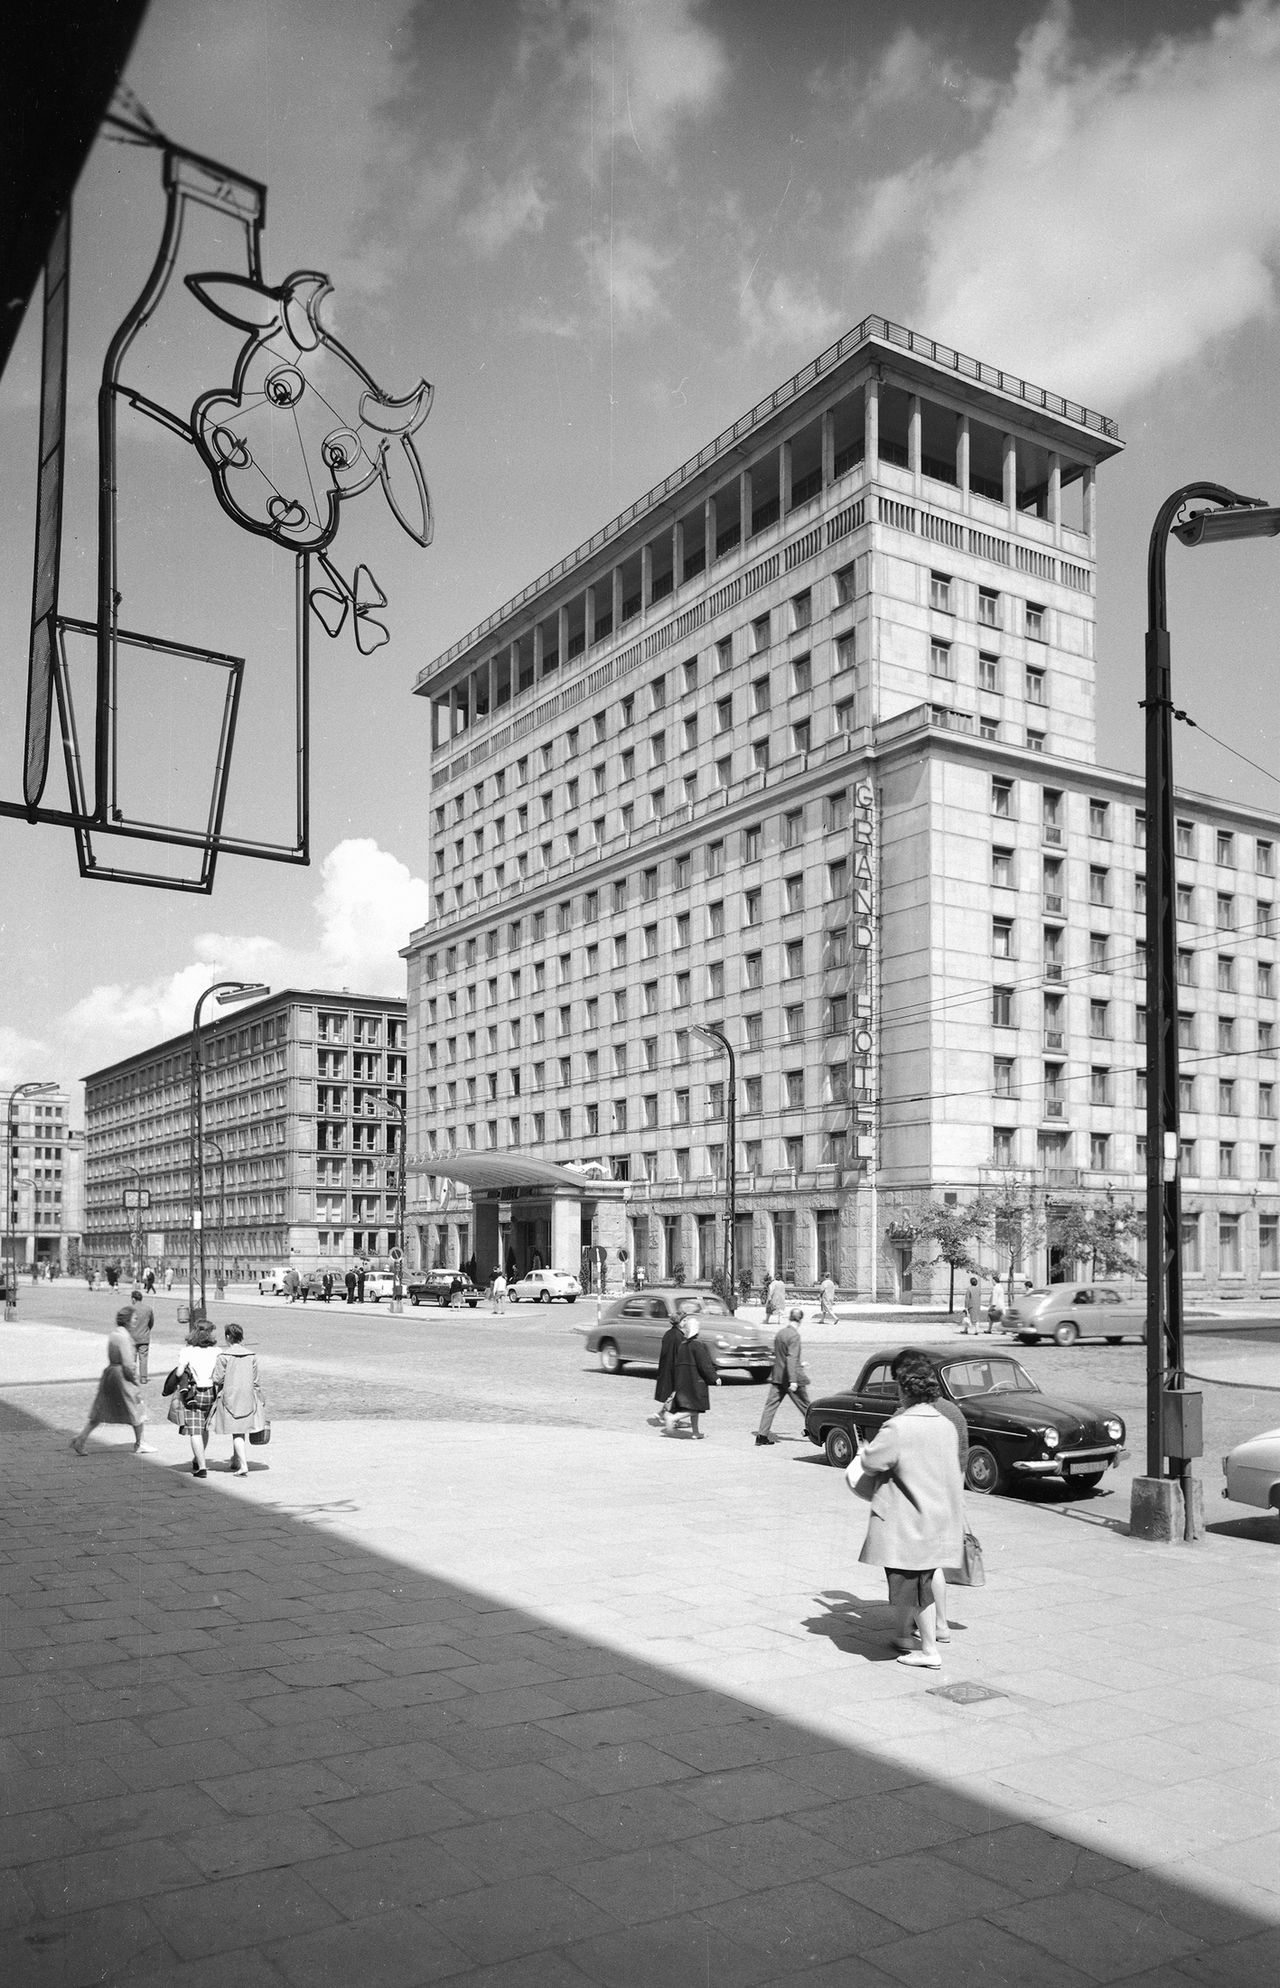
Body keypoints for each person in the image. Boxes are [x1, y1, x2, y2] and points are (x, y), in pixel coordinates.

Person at [851, 1349, 963, 1668]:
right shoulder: (945, 1424)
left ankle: (928, 1650)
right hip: (937, 1517)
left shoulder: (899, 1427)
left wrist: (864, 1451)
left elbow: (872, 1461)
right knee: (922, 1584)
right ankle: (915, 1639)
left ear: (904, 1391)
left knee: (914, 1589)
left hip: (909, 1522)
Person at [892, 1348, 968, 1646]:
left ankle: (913, 1631)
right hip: (949, 1497)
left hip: (918, 1503)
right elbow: (961, 1457)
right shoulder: (954, 1411)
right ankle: (941, 1624)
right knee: (934, 1566)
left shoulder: (904, 1415)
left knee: (917, 1571)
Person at [71, 1318, 154, 1457]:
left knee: (101, 1410)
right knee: (136, 1406)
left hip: (111, 1374)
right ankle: (141, 1443)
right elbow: (128, 1362)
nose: (135, 1321)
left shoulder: (115, 1333)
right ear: (127, 1320)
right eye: (133, 1318)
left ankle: (81, 1438)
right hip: (122, 1376)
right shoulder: (124, 1337)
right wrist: (134, 1379)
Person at [210, 1322, 267, 1476]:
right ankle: (236, 1459)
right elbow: (256, 1380)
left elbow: (217, 1378)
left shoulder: (224, 1357)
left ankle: (243, 1465)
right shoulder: (251, 1356)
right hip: (248, 1396)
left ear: (228, 1337)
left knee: (236, 1432)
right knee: (241, 1430)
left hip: (230, 1397)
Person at [754, 1305, 812, 1446]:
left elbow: (781, 1356)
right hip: (791, 1378)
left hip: (778, 1376)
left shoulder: (780, 1333)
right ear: (800, 1320)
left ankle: (762, 1435)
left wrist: (800, 1363)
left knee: (770, 1406)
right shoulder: (794, 1336)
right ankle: (815, 1430)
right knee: (806, 1407)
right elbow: (790, 1358)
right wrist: (793, 1380)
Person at [171, 1318, 221, 1479]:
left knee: (195, 1431)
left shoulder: (187, 1351)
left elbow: (179, 1373)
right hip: (211, 1393)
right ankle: (197, 1458)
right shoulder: (217, 1351)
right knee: (204, 1428)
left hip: (194, 1393)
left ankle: (202, 1467)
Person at [669, 1314, 719, 1440]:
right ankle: (673, 1418)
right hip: (695, 1382)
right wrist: (715, 1378)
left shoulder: (682, 1345)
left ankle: (695, 1432)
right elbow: (705, 1365)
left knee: (692, 1407)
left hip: (684, 1381)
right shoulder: (698, 1345)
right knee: (696, 1408)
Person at [647, 1309, 684, 1431]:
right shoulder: (679, 1336)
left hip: (666, 1368)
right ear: (680, 1322)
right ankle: (665, 1415)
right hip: (674, 1369)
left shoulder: (668, 1334)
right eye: (684, 1320)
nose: (686, 1322)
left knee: (674, 1394)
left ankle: (670, 1416)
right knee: (675, 1394)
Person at [125, 1287, 155, 1383]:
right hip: (144, 1337)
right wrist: (146, 1330)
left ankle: (132, 1377)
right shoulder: (148, 1309)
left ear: (133, 1299)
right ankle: (143, 1378)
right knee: (143, 1358)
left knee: (132, 1358)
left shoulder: (129, 1309)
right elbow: (151, 1322)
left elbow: (126, 1323)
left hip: (132, 1337)